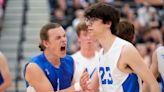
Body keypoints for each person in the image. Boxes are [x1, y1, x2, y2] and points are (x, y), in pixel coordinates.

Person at [80, 2, 160, 92]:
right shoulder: (101, 53)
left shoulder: (125, 50)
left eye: (93, 19)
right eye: (87, 20)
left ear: (108, 23)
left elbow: (153, 84)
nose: (88, 24)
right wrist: (84, 87)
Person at [24, 23, 82, 92]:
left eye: (64, 36)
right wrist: (78, 86)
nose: (64, 40)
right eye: (58, 38)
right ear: (46, 43)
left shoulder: (70, 61)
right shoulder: (34, 67)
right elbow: (74, 88)